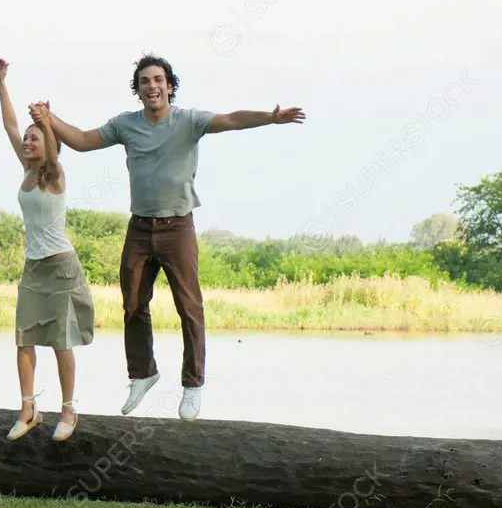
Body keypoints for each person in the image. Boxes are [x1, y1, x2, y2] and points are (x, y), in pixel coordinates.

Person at [28, 53, 305, 422]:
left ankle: (192, 385)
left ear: (169, 86)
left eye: (158, 80)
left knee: (189, 308)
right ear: (138, 90)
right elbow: (80, 140)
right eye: (145, 81)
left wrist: (269, 118)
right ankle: (143, 374)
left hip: (178, 228)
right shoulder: (125, 126)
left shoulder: (188, 121)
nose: (152, 86)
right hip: (140, 228)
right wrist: (49, 119)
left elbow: (232, 120)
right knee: (132, 304)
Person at [0, 56, 95, 442]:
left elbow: (51, 147)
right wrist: (2, 83)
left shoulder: (54, 174)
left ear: (47, 145)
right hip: (33, 270)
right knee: (23, 339)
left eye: (34, 138)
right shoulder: (25, 171)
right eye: (27, 139)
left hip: (62, 268)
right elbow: (9, 124)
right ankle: (28, 408)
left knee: (60, 342)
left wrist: (47, 120)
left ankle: (68, 411)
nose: (27, 141)